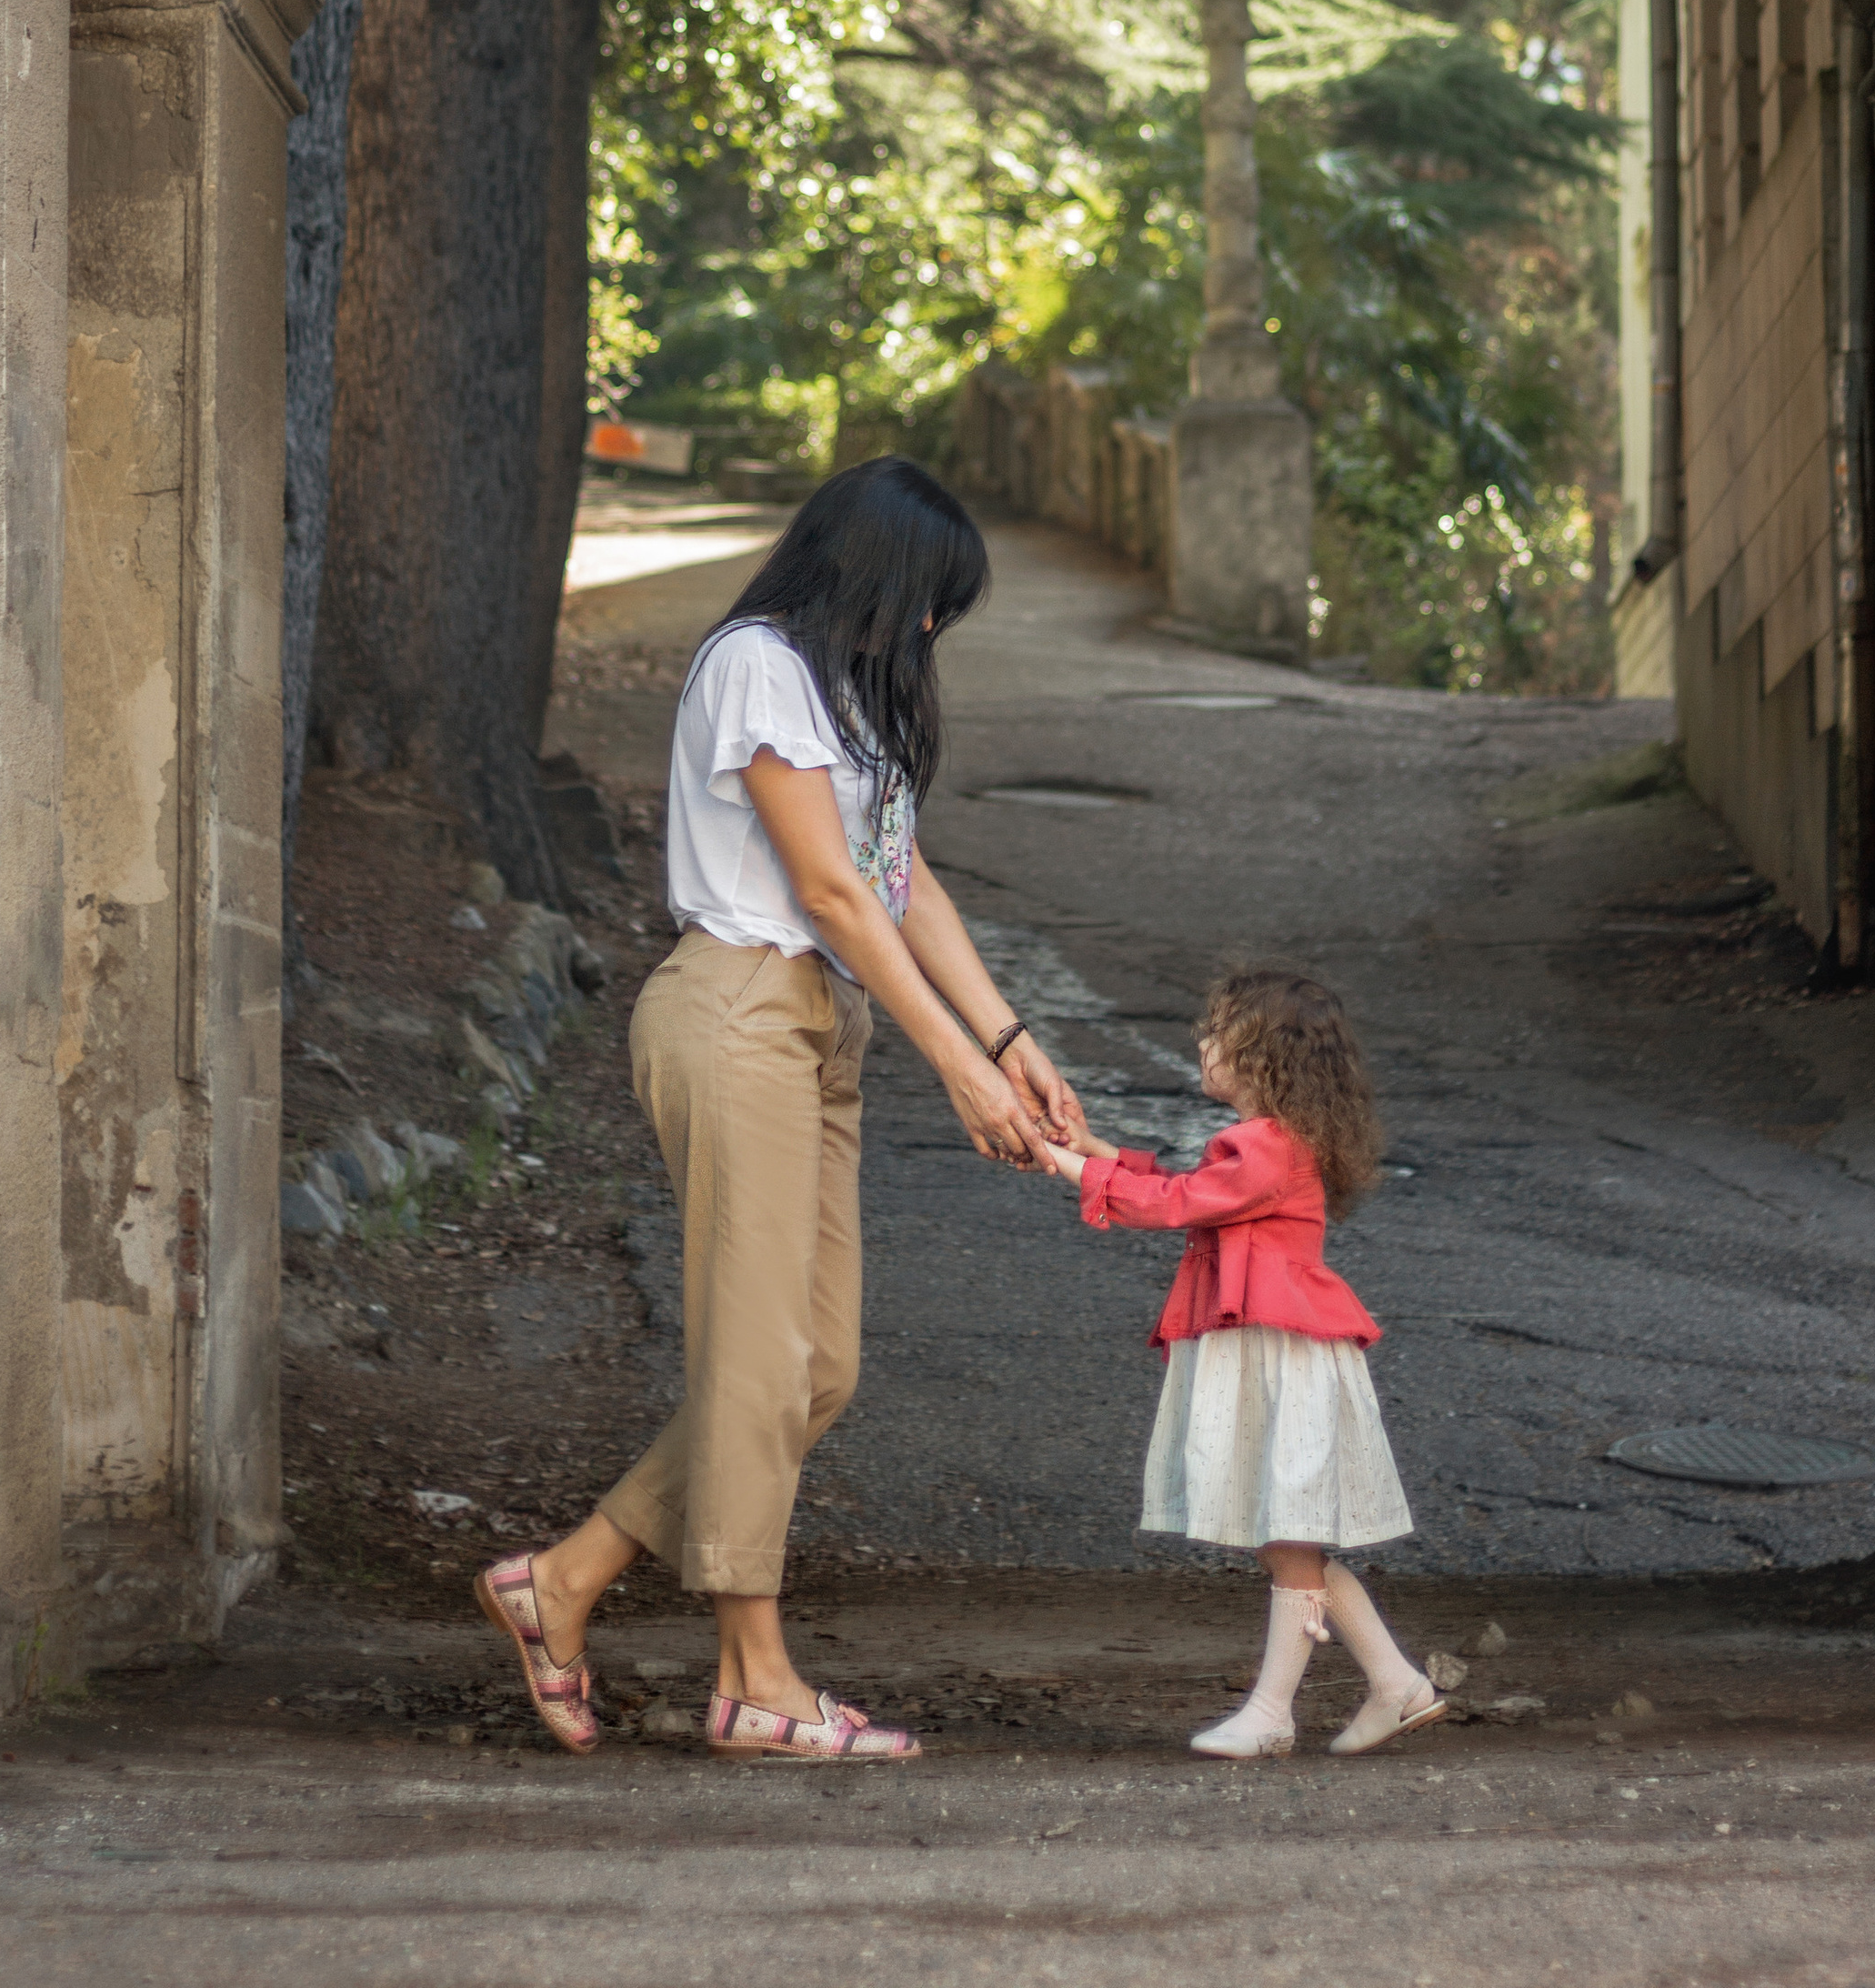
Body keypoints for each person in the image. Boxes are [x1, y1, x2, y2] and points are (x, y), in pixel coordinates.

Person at [476, 457, 1081, 1762]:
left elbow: (902, 880)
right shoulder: (758, 661)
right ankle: (755, 1681)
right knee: (758, 1367)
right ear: (872, 573)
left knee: (819, 1369)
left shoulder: (851, 696)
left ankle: (566, 1580)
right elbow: (828, 892)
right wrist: (956, 1068)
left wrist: (1012, 1037)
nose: (930, 634)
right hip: (739, 1006)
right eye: (928, 604)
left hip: (819, 1026)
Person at [1042, 961, 1443, 1759]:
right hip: (1272, 1352)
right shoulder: (1271, 1144)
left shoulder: (1267, 1146)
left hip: (1278, 1355)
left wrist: (1070, 1166)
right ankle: (1396, 1684)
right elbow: (1196, 1184)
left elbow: (1181, 1203)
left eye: (1218, 1032)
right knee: (1287, 1536)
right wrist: (1100, 1154)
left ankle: (1272, 1714)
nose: (1202, 1041)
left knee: (1287, 1534)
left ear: (1263, 1054)